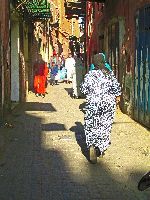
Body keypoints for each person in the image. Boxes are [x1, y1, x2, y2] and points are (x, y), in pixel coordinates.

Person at [80, 53, 121, 164]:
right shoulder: (109, 73)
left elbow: (83, 90)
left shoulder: (89, 75)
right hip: (107, 104)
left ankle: (92, 144)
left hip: (93, 103)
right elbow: (116, 89)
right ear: (103, 61)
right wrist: (117, 98)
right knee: (105, 125)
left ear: (94, 62)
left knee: (92, 125)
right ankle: (101, 148)